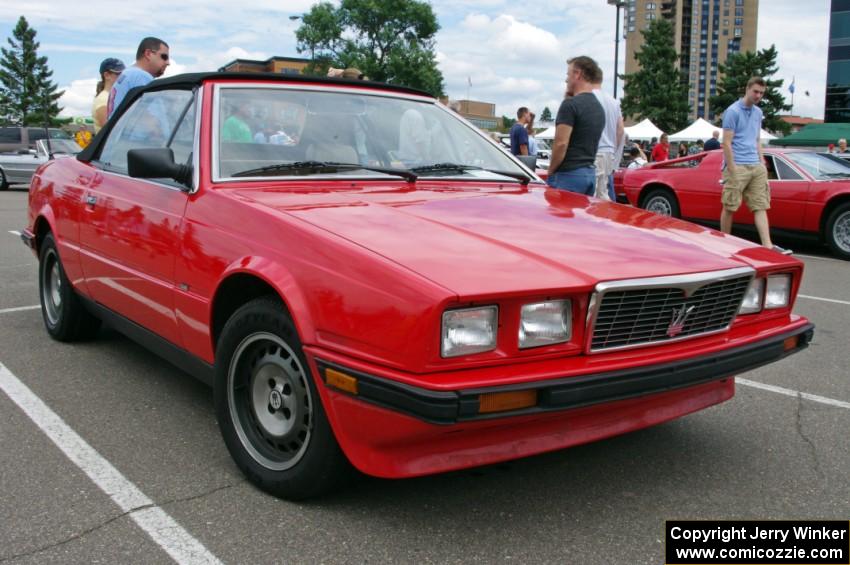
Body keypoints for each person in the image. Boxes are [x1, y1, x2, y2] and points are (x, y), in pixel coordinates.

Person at [720, 76, 790, 254]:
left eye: (761, 93)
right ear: (747, 89)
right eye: (756, 91)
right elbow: (726, 143)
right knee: (730, 206)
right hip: (738, 165)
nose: (758, 95)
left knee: (760, 205)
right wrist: (733, 168)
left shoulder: (758, 112)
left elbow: (757, 139)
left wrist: (762, 164)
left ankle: (767, 245)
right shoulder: (732, 111)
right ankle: (723, 245)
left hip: (755, 165)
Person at [546, 56, 605, 195]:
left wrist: (551, 170)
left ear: (577, 74)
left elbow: (561, 144)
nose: (566, 79)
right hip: (589, 174)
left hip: (568, 175)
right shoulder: (598, 108)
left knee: (558, 216)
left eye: (568, 74)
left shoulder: (570, 105)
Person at [107, 37, 170, 117]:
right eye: (164, 57)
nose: (168, 62)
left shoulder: (128, 74)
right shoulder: (140, 77)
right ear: (148, 54)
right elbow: (149, 120)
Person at [591, 73, 625, 201]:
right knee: (606, 193)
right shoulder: (614, 102)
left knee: (592, 198)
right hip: (609, 152)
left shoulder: (589, 97)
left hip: (594, 152)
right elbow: (621, 131)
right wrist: (614, 149)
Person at [92, 58, 125, 133]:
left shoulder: (113, 97)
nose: (122, 77)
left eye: (123, 74)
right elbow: (110, 130)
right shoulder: (104, 99)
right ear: (106, 75)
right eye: (118, 73)